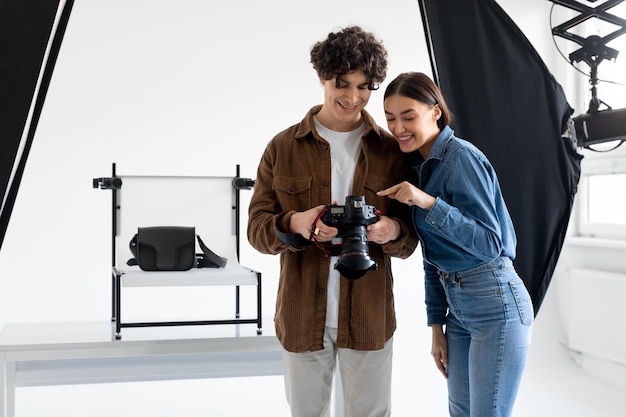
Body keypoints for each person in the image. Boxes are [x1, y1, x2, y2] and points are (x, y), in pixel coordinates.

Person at [247, 26, 418, 417]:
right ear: (323, 77)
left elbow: (409, 240)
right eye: (343, 84)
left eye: (364, 87)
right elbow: (256, 230)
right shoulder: (283, 147)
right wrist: (295, 223)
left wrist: (392, 230)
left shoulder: (393, 150)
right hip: (302, 313)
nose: (353, 97)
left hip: (370, 314)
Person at [377, 72, 534, 417]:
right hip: (458, 311)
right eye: (390, 118)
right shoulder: (421, 166)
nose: (398, 127)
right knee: (460, 412)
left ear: (435, 111)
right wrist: (437, 326)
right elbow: (433, 256)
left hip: (497, 306)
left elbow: (490, 243)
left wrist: (429, 203)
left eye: (408, 116)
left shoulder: (461, 158)